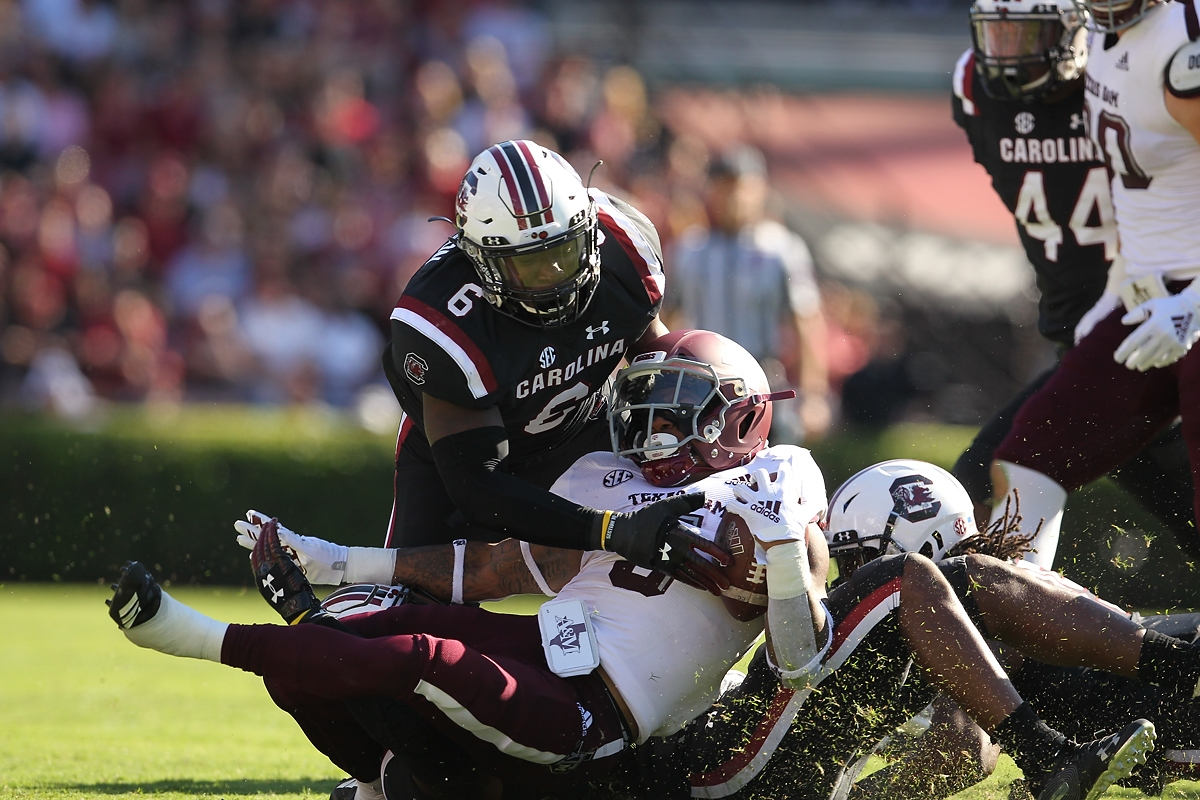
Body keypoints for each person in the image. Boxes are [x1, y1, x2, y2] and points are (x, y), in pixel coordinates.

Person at [116, 334, 1164, 800]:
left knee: (920, 596)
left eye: (680, 409)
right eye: (646, 405)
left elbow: (797, 651)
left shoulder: (780, 474)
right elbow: (496, 562)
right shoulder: (612, 476)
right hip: (639, 710)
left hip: (680, 714)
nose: (653, 429)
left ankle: (1093, 707)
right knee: (362, 621)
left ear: (742, 417)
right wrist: (336, 554)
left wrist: (788, 572)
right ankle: (1076, 723)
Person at [381, 139, 725, 592]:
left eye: (564, 252)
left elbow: (659, 361)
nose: (554, 277)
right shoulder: (442, 320)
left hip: (586, 427)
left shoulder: (624, 244)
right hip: (470, 461)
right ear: (480, 259)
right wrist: (610, 530)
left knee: (687, 548)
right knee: (409, 610)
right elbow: (479, 486)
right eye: (530, 265)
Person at [949, 0, 1194, 565]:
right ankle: (1019, 633)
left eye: (1029, 34)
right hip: (1095, 344)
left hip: (1163, 321)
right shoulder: (974, 87)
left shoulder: (1129, 64)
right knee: (987, 487)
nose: (1010, 57)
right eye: (1000, 35)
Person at [822, 461, 1200, 799]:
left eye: (860, 559)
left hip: (1173, 703)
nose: (854, 579)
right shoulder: (1000, 576)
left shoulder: (961, 604)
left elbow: (963, 752)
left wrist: (858, 794)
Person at [663, 144, 831, 444]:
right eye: (725, 188)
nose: (735, 198)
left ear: (761, 190)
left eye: (743, 187)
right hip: (703, 385)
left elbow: (806, 322)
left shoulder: (780, 249)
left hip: (764, 381)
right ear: (710, 191)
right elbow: (667, 319)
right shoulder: (688, 251)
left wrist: (814, 395)